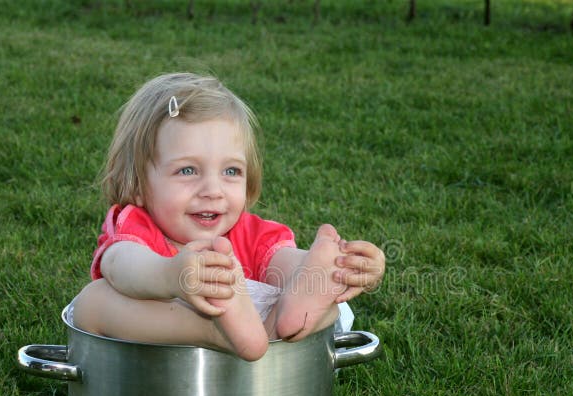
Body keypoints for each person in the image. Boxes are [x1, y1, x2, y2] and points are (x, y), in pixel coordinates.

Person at [72, 73, 385, 361]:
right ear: (138, 184)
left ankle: (306, 295)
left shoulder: (248, 232)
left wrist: (346, 267)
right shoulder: (136, 225)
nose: (213, 190)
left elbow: (283, 260)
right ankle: (212, 331)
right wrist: (172, 275)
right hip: (175, 324)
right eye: (187, 170)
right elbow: (121, 265)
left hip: (262, 320)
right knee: (94, 299)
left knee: (312, 285)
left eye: (231, 171)